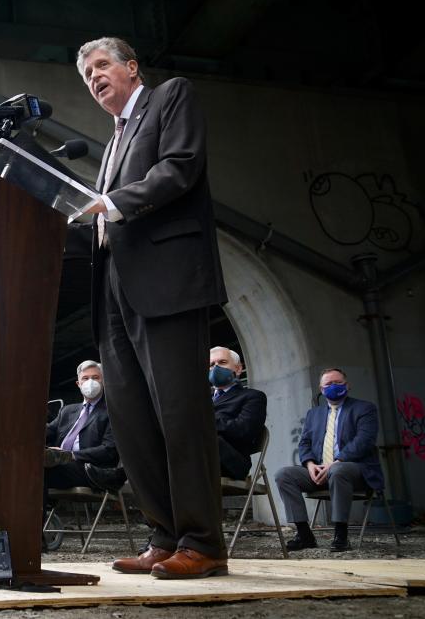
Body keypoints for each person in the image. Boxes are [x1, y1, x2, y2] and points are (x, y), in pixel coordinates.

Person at [73, 37, 228, 579]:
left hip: (167, 282)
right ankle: (164, 536)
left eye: (101, 66)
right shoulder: (112, 142)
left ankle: (203, 543)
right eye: (86, 73)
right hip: (115, 286)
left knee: (178, 412)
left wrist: (112, 202)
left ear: (131, 67)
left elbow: (182, 166)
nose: (93, 77)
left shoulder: (170, 98)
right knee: (133, 418)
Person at [275, 368, 383, 552]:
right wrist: (309, 465)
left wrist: (336, 462)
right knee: (284, 475)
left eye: (338, 383)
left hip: (355, 470)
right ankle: (304, 535)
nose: (333, 387)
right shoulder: (313, 414)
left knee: (337, 470)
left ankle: (341, 535)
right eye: (328, 384)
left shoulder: (364, 409)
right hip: (319, 471)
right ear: (321, 388)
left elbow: (364, 441)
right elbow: (304, 443)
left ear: (347, 385)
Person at [44, 361, 119, 497]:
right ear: (79, 384)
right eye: (85, 378)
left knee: (39, 471)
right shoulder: (67, 411)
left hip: (92, 469)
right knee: (28, 465)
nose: (90, 382)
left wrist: (69, 455)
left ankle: (34, 517)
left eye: (95, 377)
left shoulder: (113, 411)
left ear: (104, 381)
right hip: (60, 465)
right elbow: (46, 432)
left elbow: (109, 450)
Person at [209, 347, 267, 480]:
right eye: (211, 365)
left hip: (230, 462)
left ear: (238, 369)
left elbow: (244, 430)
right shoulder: (200, 400)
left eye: (222, 362)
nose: (216, 367)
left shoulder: (253, 397)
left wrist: (205, 422)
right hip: (198, 456)